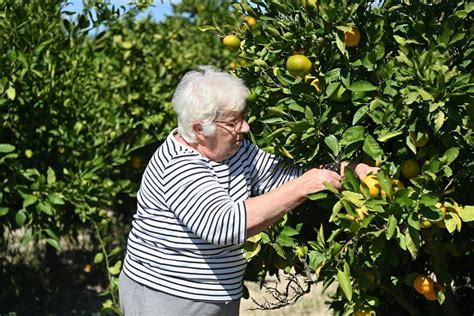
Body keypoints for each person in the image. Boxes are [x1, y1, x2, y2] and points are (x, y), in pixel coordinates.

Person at [118, 66, 377, 315]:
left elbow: (283, 177)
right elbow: (224, 226)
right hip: (168, 297)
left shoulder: (236, 150)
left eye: (242, 117)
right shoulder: (178, 165)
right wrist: (304, 186)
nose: (245, 127)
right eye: (233, 122)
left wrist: (346, 169)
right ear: (199, 128)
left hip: (217, 294)